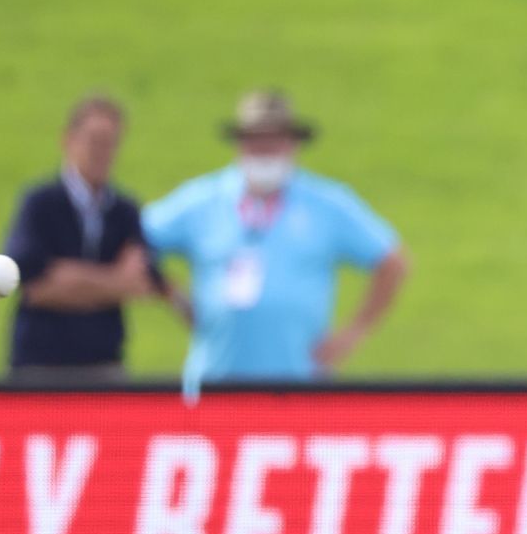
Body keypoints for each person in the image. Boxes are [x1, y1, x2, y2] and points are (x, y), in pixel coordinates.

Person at [143, 91, 410, 390]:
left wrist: (352, 334)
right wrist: (173, 294)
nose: (265, 150)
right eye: (256, 141)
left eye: (274, 141)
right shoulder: (203, 201)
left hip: (298, 383)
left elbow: (391, 260)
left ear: (292, 144)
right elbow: (137, 240)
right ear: (240, 143)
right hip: (214, 381)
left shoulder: (325, 204)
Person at [2, 96, 180, 383]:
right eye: (94, 140)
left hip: (103, 365)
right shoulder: (40, 203)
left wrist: (72, 281)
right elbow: (35, 284)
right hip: (40, 365)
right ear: (69, 140)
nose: (102, 152)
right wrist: (113, 283)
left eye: (111, 143)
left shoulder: (124, 211)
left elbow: (142, 281)